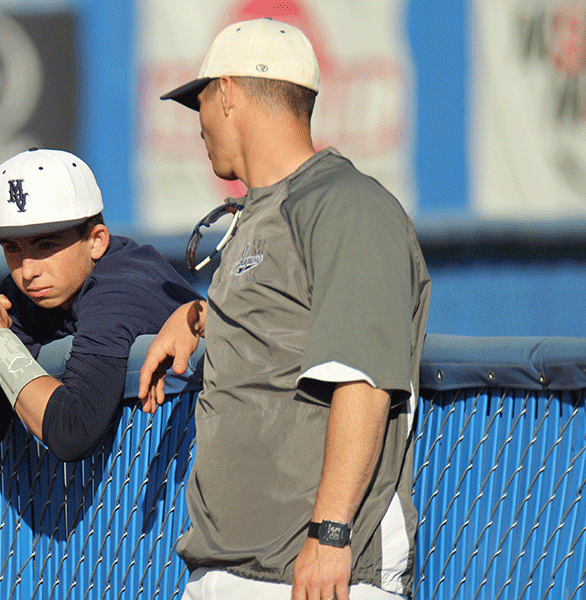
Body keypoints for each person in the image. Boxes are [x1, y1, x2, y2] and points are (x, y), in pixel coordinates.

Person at [138, 18, 431, 600]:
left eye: (198, 103)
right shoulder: (260, 213)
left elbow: (364, 380)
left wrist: (329, 534)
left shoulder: (348, 206)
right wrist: (199, 317)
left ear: (226, 94)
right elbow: (281, 318)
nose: (197, 126)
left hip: (313, 574)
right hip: (228, 570)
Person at [0, 148, 200, 465]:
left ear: (96, 241)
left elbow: (72, 432)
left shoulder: (121, 286)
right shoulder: (26, 294)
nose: (28, 270)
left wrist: (1, 340)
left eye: (47, 244)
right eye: (12, 248)